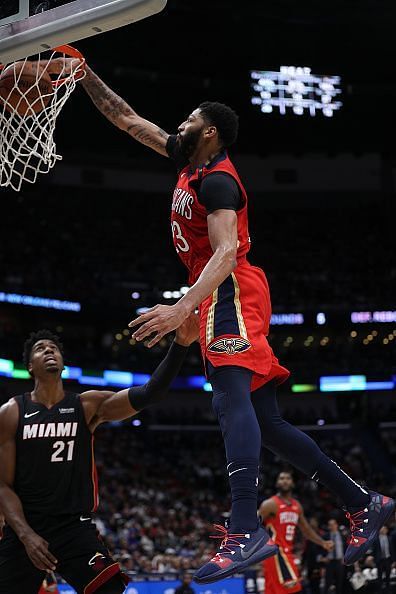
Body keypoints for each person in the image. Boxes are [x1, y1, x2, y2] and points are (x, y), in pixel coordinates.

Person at [57, 58, 395, 584]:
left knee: (228, 399)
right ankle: (363, 502)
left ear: (209, 131)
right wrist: (83, 75)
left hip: (230, 287)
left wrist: (182, 306)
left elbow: (226, 251)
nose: (179, 125)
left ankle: (244, 529)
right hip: (221, 292)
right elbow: (126, 119)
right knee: (270, 426)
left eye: (189, 119)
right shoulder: (186, 162)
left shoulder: (218, 182)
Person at [0, 318, 199, 594]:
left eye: (54, 348)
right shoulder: (11, 412)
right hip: (24, 531)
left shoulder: (87, 405)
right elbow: (2, 486)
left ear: (62, 363)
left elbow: (150, 393)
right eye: (40, 349)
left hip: (72, 528)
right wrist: (25, 535)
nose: (49, 351)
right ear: (30, 366)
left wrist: (181, 344)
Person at [258, 471, 333, 594]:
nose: (285, 481)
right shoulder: (270, 504)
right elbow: (252, 524)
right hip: (276, 554)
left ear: (292, 483)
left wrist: (322, 543)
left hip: (287, 554)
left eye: (288, 478)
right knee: (294, 589)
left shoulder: (296, 506)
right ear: (277, 483)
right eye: (281, 478)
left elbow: (306, 529)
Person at [323, 519, 347, 594]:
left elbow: (346, 548)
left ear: (336, 525)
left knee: (339, 583)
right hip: (329, 562)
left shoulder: (342, 535)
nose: (332, 526)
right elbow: (320, 548)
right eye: (330, 525)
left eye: (333, 524)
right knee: (328, 583)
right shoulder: (325, 536)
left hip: (339, 561)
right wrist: (322, 557)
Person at [372, 525, 394, 592]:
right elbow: (374, 550)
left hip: (388, 559)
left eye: (385, 529)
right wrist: (375, 559)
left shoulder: (390, 538)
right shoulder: (376, 539)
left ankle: (388, 589)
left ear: (387, 530)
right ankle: (380, 589)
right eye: (382, 529)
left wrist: (393, 560)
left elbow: (392, 550)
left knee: (388, 574)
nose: (383, 530)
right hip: (380, 559)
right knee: (380, 575)